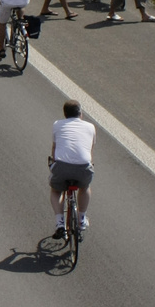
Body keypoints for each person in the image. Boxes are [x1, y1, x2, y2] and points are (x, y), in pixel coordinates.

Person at [48, 100, 95, 239]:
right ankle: (81, 220)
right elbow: (90, 150)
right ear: (80, 113)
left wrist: (53, 163)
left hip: (62, 165)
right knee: (85, 187)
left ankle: (60, 223)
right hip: (83, 166)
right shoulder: (90, 127)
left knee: (56, 190)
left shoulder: (57, 124)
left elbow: (54, 149)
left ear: (65, 114)